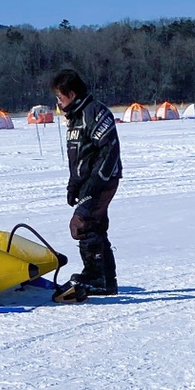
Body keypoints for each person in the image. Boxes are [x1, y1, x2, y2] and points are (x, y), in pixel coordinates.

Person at [51, 67, 121, 301]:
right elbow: (78, 157)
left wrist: (94, 183)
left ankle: (95, 276)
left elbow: (108, 150)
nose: (58, 102)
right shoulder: (74, 117)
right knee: (96, 226)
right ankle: (106, 279)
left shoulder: (95, 112)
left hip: (103, 180)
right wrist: (73, 185)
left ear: (71, 93)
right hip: (87, 182)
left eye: (60, 97)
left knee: (82, 224)